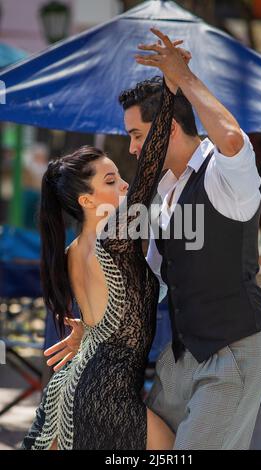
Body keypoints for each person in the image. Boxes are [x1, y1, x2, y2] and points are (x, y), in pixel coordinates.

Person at [44, 28, 261, 450]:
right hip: (181, 358)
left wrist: (182, 77)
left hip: (235, 351)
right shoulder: (160, 194)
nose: (132, 149)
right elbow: (148, 281)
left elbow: (232, 138)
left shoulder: (226, 175)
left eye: (136, 134)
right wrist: (96, 334)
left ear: (166, 128)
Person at [21, 34, 191, 451]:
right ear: (86, 200)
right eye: (112, 181)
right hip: (103, 389)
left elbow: (100, 323)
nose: (126, 186)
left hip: (75, 382)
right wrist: (170, 88)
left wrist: (90, 335)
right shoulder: (115, 236)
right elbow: (151, 163)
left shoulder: (69, 251)